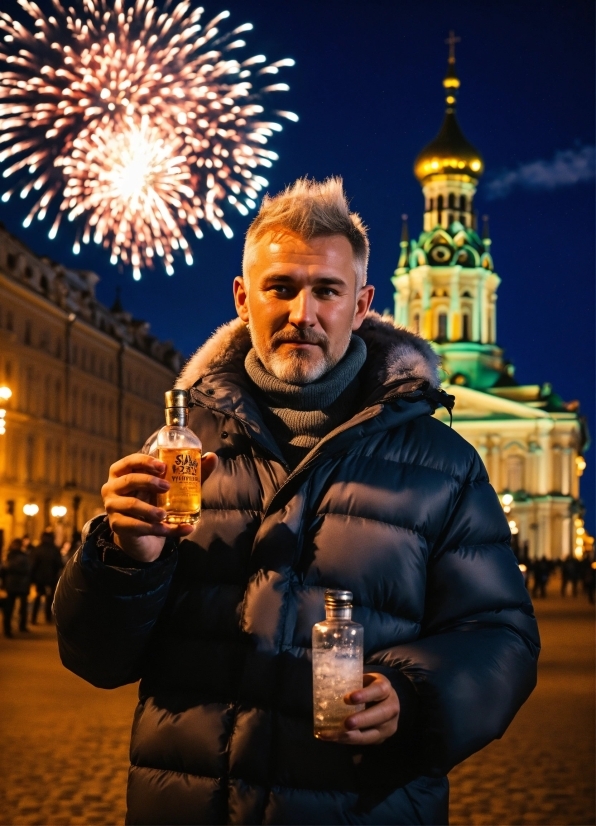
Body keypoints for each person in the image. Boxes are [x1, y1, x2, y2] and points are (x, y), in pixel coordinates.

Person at [55, 178, 540, 826]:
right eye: (280, 287)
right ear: (242, 297)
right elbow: (96, 657)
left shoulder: (444, 464)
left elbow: (500, 637)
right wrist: (124, 560)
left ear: (363, 303)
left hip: (359, 808)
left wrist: (414, 694)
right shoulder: (179, 453)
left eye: (327, 291)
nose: (301, 314)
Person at [30, 530, 63, 624]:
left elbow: (33, 565)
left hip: (39, 578)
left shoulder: (38, 549)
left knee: (38, 597)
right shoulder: (54, 549)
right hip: (51, 578)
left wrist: (32, 578)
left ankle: (33, 618)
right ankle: (48, 617)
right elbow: (59, 564)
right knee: (50, 598)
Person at [2, 538, 31, 637]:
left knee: (9, 608)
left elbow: (4, 570)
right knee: (21, 607)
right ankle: (21, 626)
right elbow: (28, 569)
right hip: (22, 584)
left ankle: (8, 629)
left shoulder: (8, 557)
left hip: (11, 585)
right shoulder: (23, 556)